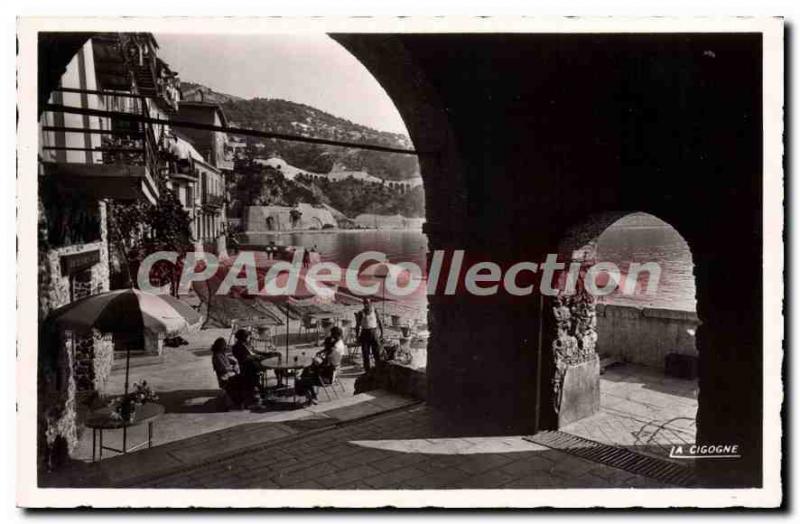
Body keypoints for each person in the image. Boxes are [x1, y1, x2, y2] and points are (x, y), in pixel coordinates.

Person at [295, 326, 345, 404]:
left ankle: (311, 396)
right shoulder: (337, 349)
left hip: (326, 377)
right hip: (331, 374)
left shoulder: (332, 353)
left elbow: (322, 367)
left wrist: (317, 363)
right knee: (307, 374)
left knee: (305, 378)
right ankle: (308, 394)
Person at [210, 338, 249, 408]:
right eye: (224, 345)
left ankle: (242, 399)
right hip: (225, 377)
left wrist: (235, 363)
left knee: (244, 377)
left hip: (229, 374)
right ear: (220, 346)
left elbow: (231, 361)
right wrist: (233, 368)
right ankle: (239, 401)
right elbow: (223, 368)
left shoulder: (222, 354)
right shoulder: (217, 356)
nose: (225, 346)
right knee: (242, 379)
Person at [355, 297, 383, 373]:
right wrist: (357, 336)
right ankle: (367, 370)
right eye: (364, 303)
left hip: (374, 333)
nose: (366, 304)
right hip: (364, 334)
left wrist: (382, 334)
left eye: (367, 303)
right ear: (363, 304)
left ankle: (378, 369)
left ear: (370, 303)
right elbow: (357, 326)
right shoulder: (361, 313)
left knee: (376, 352)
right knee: (365, 353)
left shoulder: (375, 311)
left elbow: (380, 322)